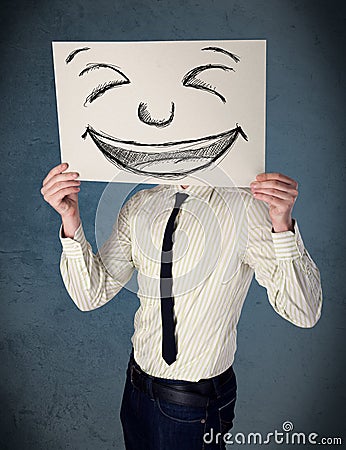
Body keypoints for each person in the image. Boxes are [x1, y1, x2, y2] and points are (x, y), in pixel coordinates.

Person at [41, 162, 322, 450]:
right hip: (136, 391)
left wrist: (282, 226)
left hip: (192, 403)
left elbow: (304, 311)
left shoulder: (247, 208)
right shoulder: (141, 205)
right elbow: (91, 295)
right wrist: (70, 218)